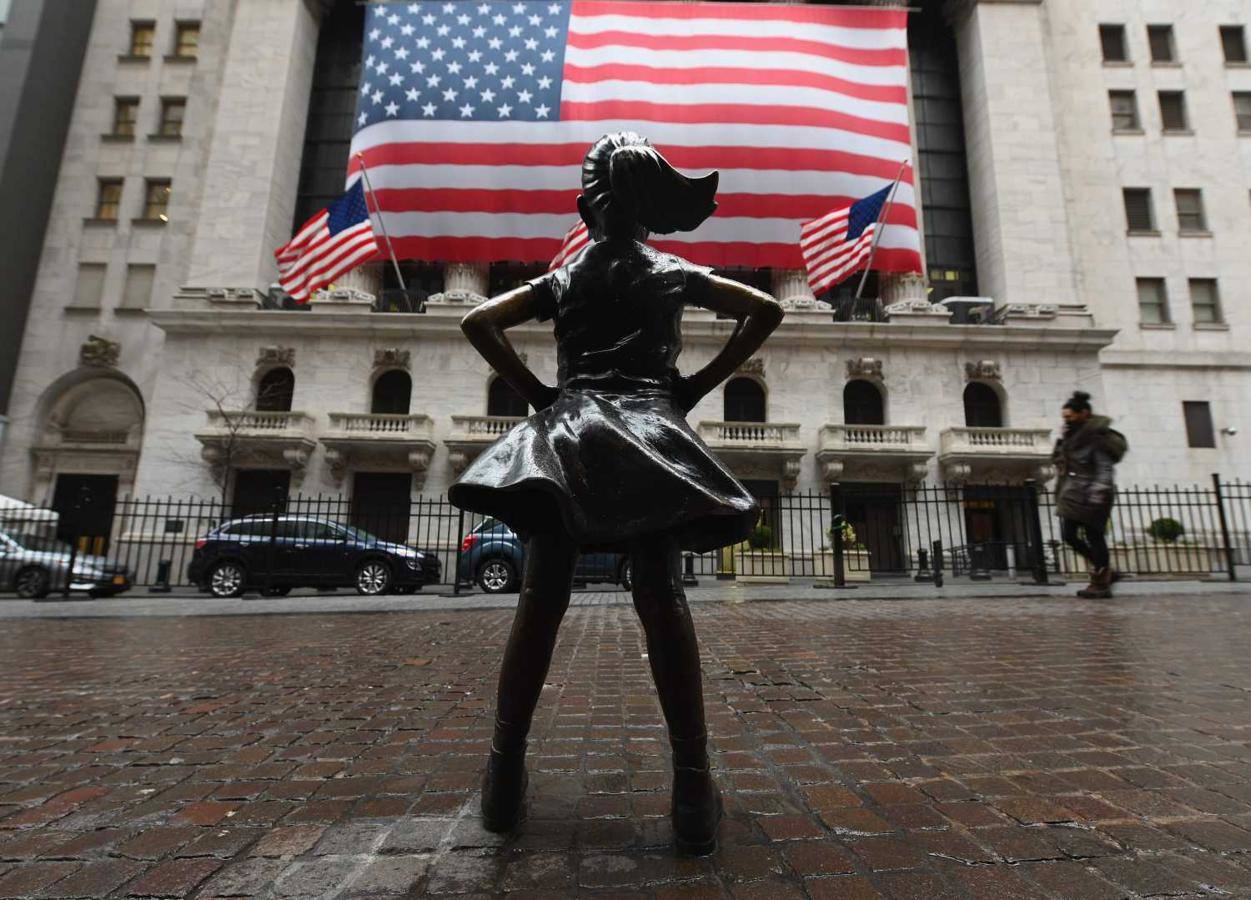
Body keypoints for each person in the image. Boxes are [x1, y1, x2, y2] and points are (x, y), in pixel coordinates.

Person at [449, 132, 784, 855]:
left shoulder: (564, 279)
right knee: (661, 597)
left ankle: (502, 777)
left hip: (567, 434)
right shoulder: (670, 271)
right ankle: (692, 788)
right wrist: (694, 385)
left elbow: (477, 319)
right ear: (647, 210)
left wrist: (539, 393)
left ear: (587, 207)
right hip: (648, 433)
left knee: (541, 599)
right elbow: (765, 308)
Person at [1053, 391, 1127, 598]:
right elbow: (1060, 463)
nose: (1066, 420)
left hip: (1095, 495)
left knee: (1094, 536)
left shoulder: (1097, 437)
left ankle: (1101, 582)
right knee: (1069, 535)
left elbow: (1104, 469)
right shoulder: (1071, 437)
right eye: (1065, 417)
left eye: (1069, 417)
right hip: (1075, 495)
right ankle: (1105, 571)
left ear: (1084, 413)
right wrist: (1061, 443)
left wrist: (1097, 493)